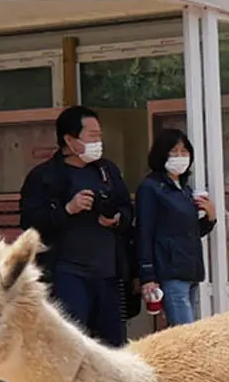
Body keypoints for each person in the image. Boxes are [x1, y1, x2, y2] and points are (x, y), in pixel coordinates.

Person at [19, 105, 134, 347]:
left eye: (99, 136)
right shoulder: (44, 177)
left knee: (112, 345)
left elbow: (126, 208)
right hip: (67, 273)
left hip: (108, 272)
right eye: (92, 136)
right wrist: (67, 210)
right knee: (70, 342)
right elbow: (30, 226)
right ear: (69, 140)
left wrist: (116, 219)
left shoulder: (107, 171)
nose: (98, 142)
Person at [135, 128, 217, 326]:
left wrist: (210, 217)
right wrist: (148, 276)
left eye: (184, 152)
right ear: (162, 154)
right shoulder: (151, 187)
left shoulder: (184, 189)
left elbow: (191, 232)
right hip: (170, 271)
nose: (180, 157)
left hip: (190, 269)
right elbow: (144, 233)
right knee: (184, 334)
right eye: (174, 152)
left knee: (191, 330)